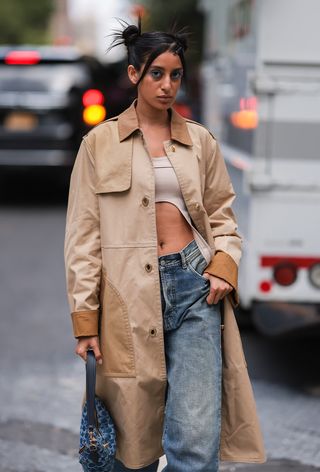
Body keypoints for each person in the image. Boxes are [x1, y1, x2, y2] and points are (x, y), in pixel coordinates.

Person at [64, 19, 265, 472]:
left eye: (175, 74)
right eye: (156, 73)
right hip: (125, 300)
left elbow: (223, 218)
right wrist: (84, 319)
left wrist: (223, 266)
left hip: (195, 286)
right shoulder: (99, 144)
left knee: (194, 441)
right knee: (129, 449)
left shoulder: (200, 141)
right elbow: (82, 237)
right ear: (134, 74)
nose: (167, 85)